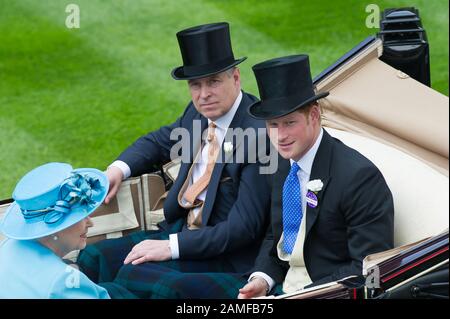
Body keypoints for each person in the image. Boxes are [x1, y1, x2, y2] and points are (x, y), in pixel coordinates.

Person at [139, 54, 394, 299]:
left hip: (322, 292)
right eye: (273, 125)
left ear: (314, 116)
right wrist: (261, 280)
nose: (280, 136)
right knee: (161, 285)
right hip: (277, 286)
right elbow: (276, 238)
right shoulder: (283, 164)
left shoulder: (359, 178)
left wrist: (303, 295)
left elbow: (367, 270)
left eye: (289, 123)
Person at [77, 22, 270, 298]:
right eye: (195, 85)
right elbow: (157, 141)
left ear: (236, 78)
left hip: (226, 254)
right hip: (180, 229)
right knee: (93, 257)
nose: (204, 95)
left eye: (214, 81)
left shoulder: (258, 134)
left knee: (137, 275)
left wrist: (172, 246)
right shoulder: (196, 113)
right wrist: (116, 169)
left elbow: (243, 228)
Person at [0, 162, 110, 298]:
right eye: (80, 217)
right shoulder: (63, 282)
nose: (90, 223)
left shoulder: (8, 246)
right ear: (55, 228)